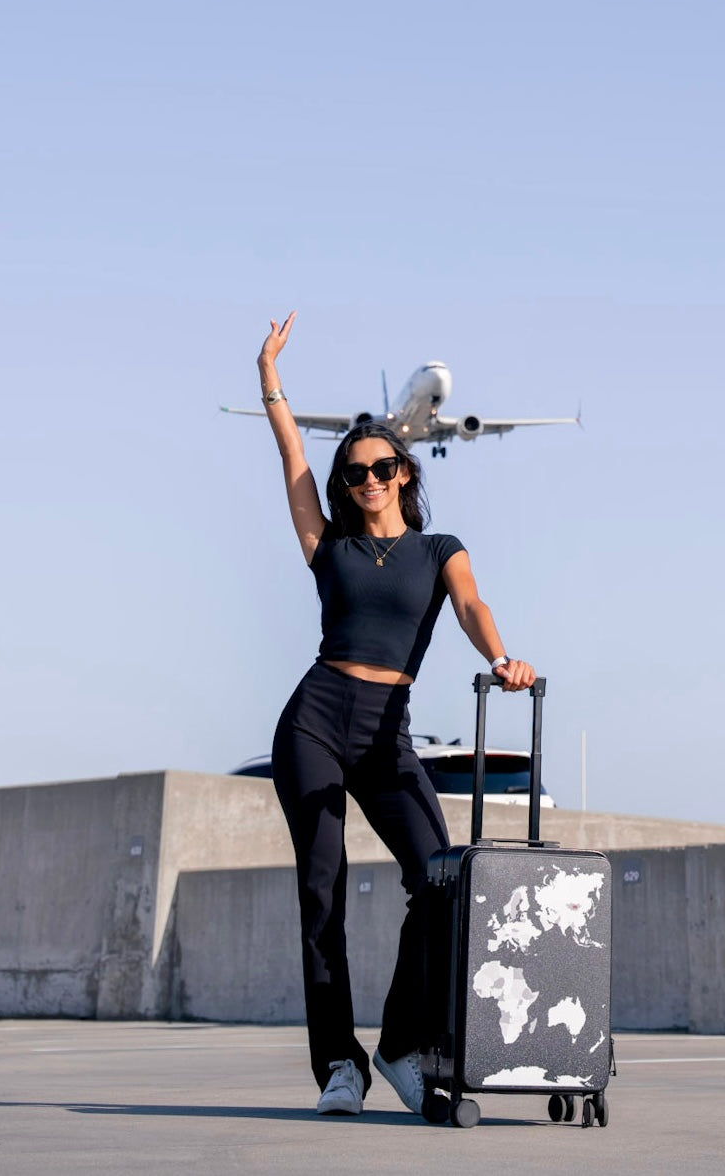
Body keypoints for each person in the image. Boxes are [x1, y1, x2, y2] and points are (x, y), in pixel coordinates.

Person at [256, 312, 536, 1118]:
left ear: (405, 473)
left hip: (387, 731)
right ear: (345, 485)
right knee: (322, 893)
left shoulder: (438, 548)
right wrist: (270, 377)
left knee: (440, 882)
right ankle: (337, 1066)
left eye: (382, 467)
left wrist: (501, 657)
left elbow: (472, 605)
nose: (369, 479)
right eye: (355, 473)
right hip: (314, 720)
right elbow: (291, 455)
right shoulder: (329, 547)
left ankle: (400, 1046)